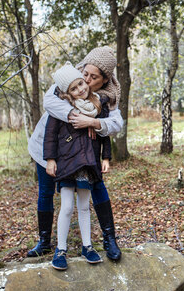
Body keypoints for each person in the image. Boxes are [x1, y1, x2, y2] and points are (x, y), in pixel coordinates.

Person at [27, 46, 123, 261]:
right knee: (45, 192)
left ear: (105, 80)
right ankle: (44, 242)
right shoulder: (69, 79)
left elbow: (117, 123)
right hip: (46, 147)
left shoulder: (108, 97)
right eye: (85, 73)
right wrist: (75, 115)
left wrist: (93, 121)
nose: (86, 80)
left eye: (93, 77)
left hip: (82, 155)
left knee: (97, 187)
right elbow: (49, 102)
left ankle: (109, 239)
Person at [44, 63, 109, 270]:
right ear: (67, 93)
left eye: (81, 84)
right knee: (67, 206)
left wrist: (106, 158)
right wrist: (50, 159)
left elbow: (104, 134)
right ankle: (60, 249)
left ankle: (87, 246)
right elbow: (50, 135)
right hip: (66, 164)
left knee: (83, 206)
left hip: (87, 164)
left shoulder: (96, 106)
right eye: (74, 88)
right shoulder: (62, 110)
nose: (80, 89)